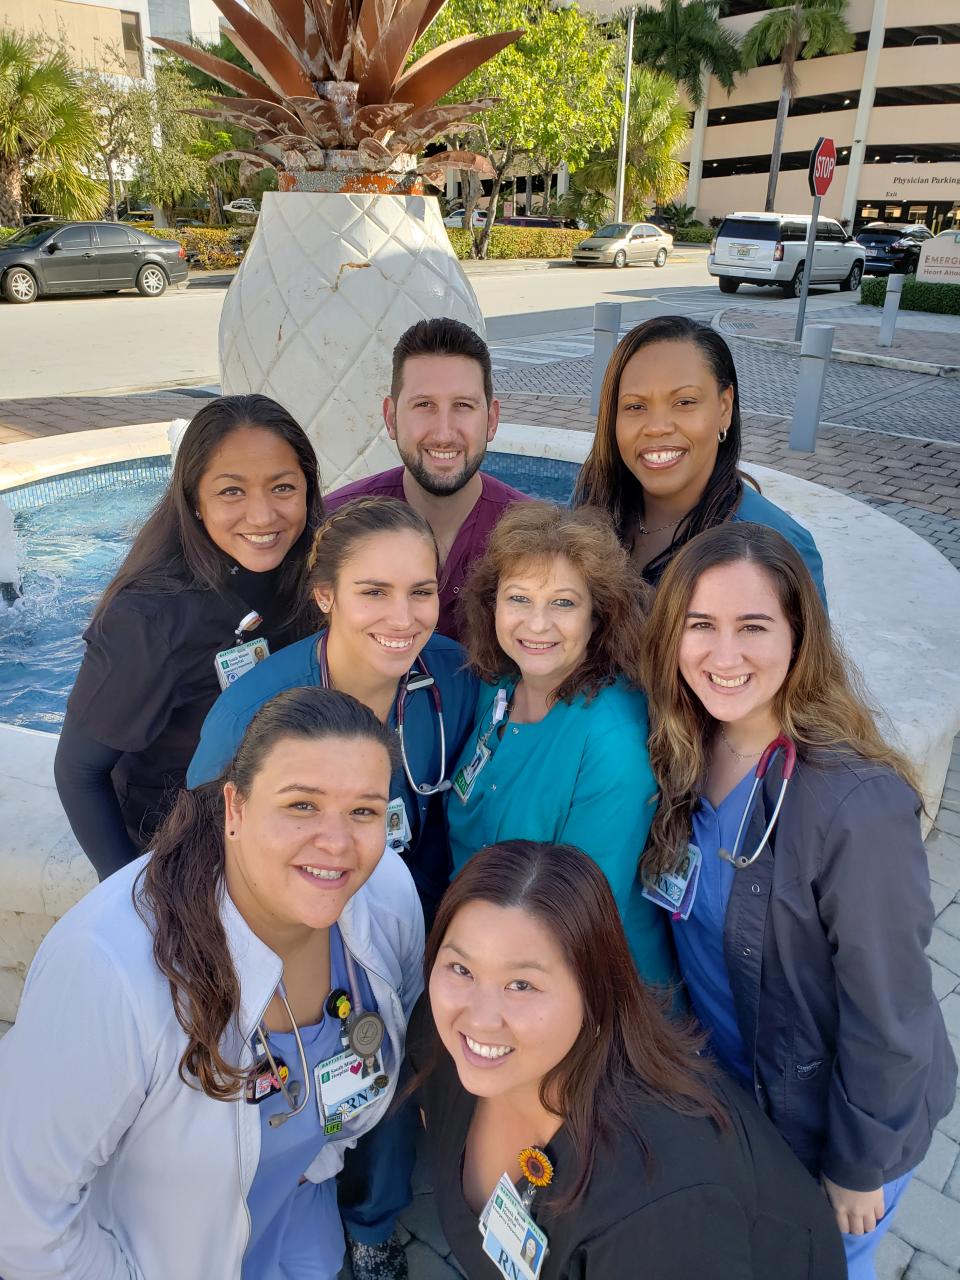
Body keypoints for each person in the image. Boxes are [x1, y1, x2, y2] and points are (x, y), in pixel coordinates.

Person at [0, 687, 423, 1280]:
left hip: (298, 1227)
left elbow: (382, 1031)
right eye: (302, 805)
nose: (337, 843)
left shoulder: (385, 896)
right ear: (236, 809)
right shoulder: (108, 972)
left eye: (364, 811)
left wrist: (318, 1157)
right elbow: (22, 1218)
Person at [639, 522, 956, 1279]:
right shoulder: (685, 749)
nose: (724, 656)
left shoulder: (854, 806)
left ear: (799, 634)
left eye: (753, 627)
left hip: (829, 1129)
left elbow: (892, 1012)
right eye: (701, 627)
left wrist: (861, 1162)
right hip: (740, 1099)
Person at [188, 496, 478, 1280]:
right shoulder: (259, 707)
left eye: (420, 591)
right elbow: (202, 839)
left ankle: (375, 1225)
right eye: (373, 592)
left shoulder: (450, 676)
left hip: (418, 911)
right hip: (299, 918)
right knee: (322, 1070)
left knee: (397, 1070)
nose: (403, 615)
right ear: (325, 597)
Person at [408, 839, 847, 1280]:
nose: (480, 1019)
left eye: (521, 984)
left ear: (595, 993)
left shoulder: (663, 1211)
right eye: (461, 969)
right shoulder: (445, 1041)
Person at [55, 394, 323, 879]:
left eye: (282, 487)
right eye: (231, 492)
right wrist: (133, 899)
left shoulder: (318, 577)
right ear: (194, 500)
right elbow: (78, 773)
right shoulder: (147, 619)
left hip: (287, 840)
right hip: (187, 856)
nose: (262, 516)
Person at [447, 502, 670, 986]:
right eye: (519, 598)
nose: (537, 624)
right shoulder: (499, 686)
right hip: (484, 961)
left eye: (564, 603)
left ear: (598, 617)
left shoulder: (612, 743)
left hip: (586, 991)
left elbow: (579, 919)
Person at [572, 315, 827, 602]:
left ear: (724, 408)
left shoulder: (778, 545)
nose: (657, 427)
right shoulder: (594, 505)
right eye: (635, 406)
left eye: (684, 402)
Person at [324, 317, 524, 642]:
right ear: (391, 418)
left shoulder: (534, 537)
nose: (444, 433)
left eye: (463, 405)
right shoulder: (334, 526)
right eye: (424, 405)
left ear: (491, 419)